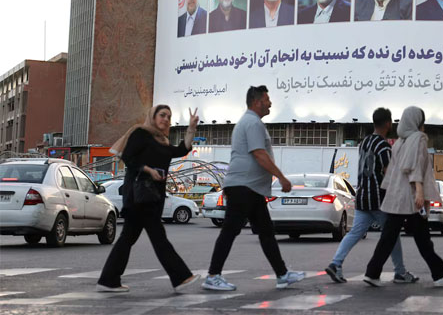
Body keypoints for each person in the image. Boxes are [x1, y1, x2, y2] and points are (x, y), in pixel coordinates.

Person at [202, 86, 305, 291]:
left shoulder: (251, 122)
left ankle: (282, 275)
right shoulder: (252, 122)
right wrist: (282, 178)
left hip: (251, 188)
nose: (270, 103)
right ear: (257, 102)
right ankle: (213, 276)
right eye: (267, 100)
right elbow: (259, 154)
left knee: (266, 232)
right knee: (230, 230)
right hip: (243, 187)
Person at [97, 106, 200, 293]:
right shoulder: (141, 133)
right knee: (159, 238)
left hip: (152, 196)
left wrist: (191, 128)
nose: (166, 119)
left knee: (127, 238)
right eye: (162, 115)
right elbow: (128, 158)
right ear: (152, 117)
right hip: (140, 196)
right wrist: (148, 170)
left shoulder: (162, 141)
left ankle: (109, 279)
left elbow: (181, 150)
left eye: (169, 117)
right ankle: (181, 276)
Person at [363, 106, 443, 287]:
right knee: (423, 240)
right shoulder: (418, 139)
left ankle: (372, 273)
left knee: (388, 238)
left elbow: (392, 172)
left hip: (396, 197)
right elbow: (415, 166)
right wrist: (420, 192)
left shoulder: (400, 142)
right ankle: (440, 275)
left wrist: (389, 191)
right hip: (411, 198)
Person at [325, 108, 417, 284]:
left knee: (354, 233)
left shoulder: (364, 142)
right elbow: (388, 173)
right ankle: (400, 272)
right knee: (392, 235)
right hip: (378, 198)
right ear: (388, 123)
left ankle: (336, 263)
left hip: (362, 196)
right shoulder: (383, 146)